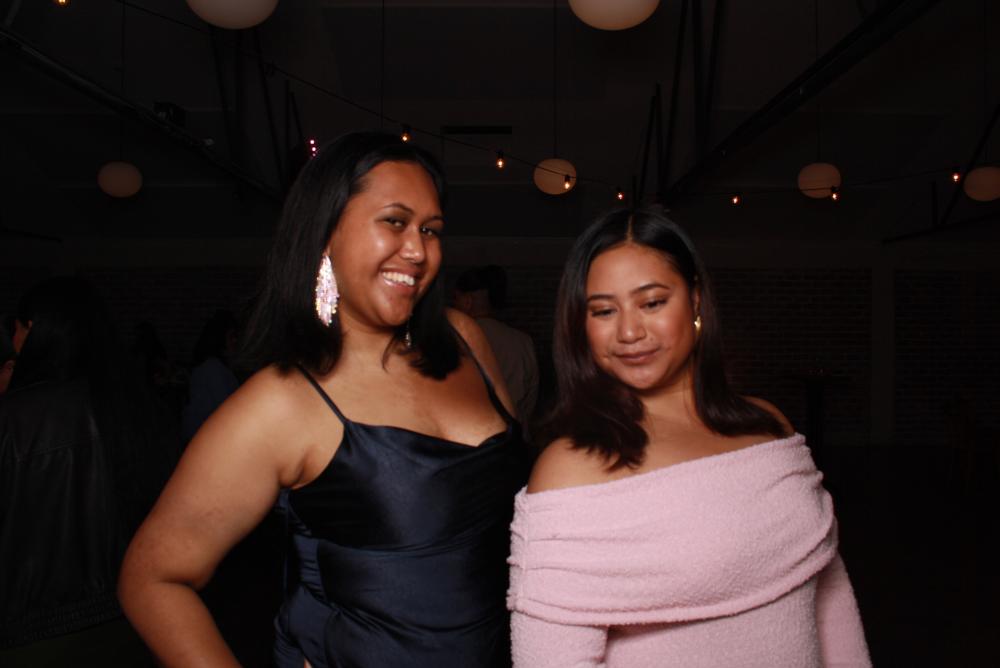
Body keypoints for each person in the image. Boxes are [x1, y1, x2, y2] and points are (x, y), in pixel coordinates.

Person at [118, 132, 528, 667]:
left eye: (430, 230)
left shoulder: (462, 338)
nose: (418, 250)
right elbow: (151, 579)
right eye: (395, 221)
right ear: (326, 232)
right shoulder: (283, 402)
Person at [507, 208, 870, 667]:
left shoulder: (769, 426)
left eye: (652, 303)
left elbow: (831, 601)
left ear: (695, 301)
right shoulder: (570, 468)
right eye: (604, 310)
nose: (630, 332)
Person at [0, 277, 172, 667]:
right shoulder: (139, 411)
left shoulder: (14, 419)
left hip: (28, 630)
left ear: (35, 330)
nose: (13, 340)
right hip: (130, 618)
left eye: (17, 328)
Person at [454, 266, 539, 424]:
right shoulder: (523, 341)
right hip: (514, 431)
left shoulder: (457, 340)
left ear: (467, 301)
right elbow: (530, 400)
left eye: (456, 299)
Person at [180, 309, 240, 442]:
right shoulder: (212, 368)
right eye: (232, 337)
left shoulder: (218, 367)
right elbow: (227, 408)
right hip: (204, 438)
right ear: (220, 339)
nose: (235, 341)